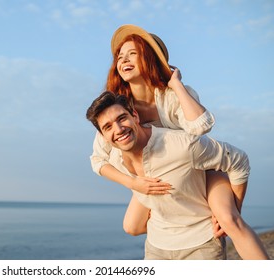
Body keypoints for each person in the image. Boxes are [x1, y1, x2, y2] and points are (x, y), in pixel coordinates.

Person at [90, 24, 269, 259]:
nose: (124, 59)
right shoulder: (119, 109)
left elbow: (201, 127)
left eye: (132, 53)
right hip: (155, 173)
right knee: (131, 227)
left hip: (199, 165)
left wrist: (176, 84)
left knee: (229, 220)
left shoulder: (172, 95)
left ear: (149, 58)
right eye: (119, 56)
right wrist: (134, 183)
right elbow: (98, 159)